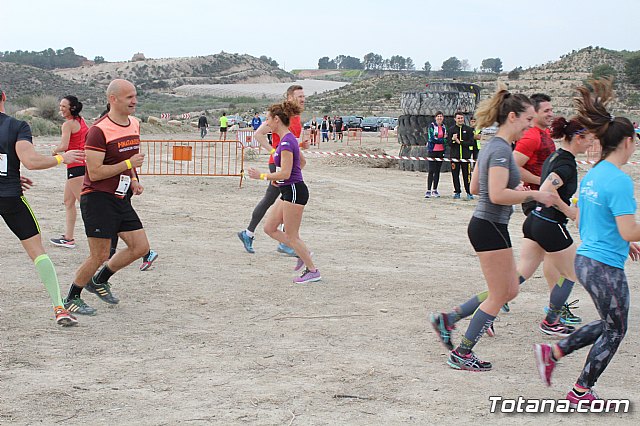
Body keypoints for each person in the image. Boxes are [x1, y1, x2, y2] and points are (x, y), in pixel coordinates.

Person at [430, 83, 558, 371]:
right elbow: (496, 194)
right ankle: (462, 351)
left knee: (509, 289)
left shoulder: (494, 146)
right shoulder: (500, 150)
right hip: (489, 225)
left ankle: (450, 319)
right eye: (527, 119)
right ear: (512, 117)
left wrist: (513, 186)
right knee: (502, 293)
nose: (529, 125)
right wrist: (533, 193)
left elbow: (476, 186)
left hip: (489, 224)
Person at [534, 78, 639, 407]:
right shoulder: (619, 180)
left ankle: (554, 352)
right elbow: (628, 229)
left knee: (611, 324)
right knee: (615, 329)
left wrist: (627, 241)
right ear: (625, 142)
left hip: (588, 259)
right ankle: (580, 389)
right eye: (634, 140)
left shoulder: (593, 173)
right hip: (604, 265)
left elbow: (583, 212)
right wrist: (630, 237)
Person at [63, 79, 149, 316]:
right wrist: (129, 164)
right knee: (100, 254)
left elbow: (129, 158)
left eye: (135, 95)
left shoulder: (134, 124)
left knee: (140, 247)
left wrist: (133, 178)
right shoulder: (98, 131)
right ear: (113, 99)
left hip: (122, 196)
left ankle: (99, 280)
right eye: (129, 97)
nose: (135, 101)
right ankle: (71, 297)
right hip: (98, 198)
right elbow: (95, 172)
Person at [1, 85, 84, 326]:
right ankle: (60, 308)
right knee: (38, 252)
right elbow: (31, 161)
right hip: (9, 198)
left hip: (9, 187)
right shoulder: (16, 126)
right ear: (4, 97)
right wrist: (61, 158)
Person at [247, 100, 320, 284]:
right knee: (269, 228)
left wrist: (262, 176)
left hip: (295, 191)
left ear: (277, 120)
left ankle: (312, 270)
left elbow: (287, 172)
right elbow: (301, 163)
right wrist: (284, 180)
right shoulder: (286, 140)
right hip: (288, 189)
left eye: (268, 119)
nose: (267, 123)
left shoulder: (287, 142)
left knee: (292, 236)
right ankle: (302, 252)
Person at [237, 85, 306, 256]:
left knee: (284, 199)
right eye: (299, 96)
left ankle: (255, 234)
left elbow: (290, 141)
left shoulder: (297, 117)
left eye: (304, 96)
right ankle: (252, 234)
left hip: (288, 162)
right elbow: (259, 134)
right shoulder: (280, 116)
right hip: (278, 164)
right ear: (289, 97)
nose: (303, 99)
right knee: (278, 199)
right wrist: (273, 151)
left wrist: (301, 146)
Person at [49, 95, 88, 249]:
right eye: (60, 106)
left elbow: (64, 145)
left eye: (63, 106)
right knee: (68, 201)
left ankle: (104, 237)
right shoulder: (81, 121)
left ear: (72, 108)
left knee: (86, 206)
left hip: (75, 166)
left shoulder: (68, 124)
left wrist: (54, 151)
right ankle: (69, 238)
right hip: (80, 165)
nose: (61, 109)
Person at [513, 93, 555, 215]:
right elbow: (513, 167)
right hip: (535, 199)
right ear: (534, 113)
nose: (551, 114)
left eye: (551, 110)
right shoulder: (531, 137)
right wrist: (541, 181)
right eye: (546, 111)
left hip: (546, 195)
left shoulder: (545, 132)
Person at [448, 112, 475, 200]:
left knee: (467, 175)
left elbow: (471, 142)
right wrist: (453, 140)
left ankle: (469, 192)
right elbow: (448, 143)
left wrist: (460, 142)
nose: (460, 120)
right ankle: (457, 192)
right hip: (455, 157)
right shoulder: (451, 130)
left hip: (465, 157)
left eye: (461, 118)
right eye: (458, 118)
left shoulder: (468, 129)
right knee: (455, 175)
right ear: (455, 119)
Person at [425, 111, 447, 198]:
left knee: (437, 171)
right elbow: (431, 139)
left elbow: (446, 138)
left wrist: (441, 140)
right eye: (438, 116)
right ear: (435, 117)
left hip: (441, 150)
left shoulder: (444, 127)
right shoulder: (431, 126)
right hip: (432, 150)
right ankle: (428, 190)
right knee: (431, 170)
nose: (439, 118)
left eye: (441, 116)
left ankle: (435, 189)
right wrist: (441, 140)